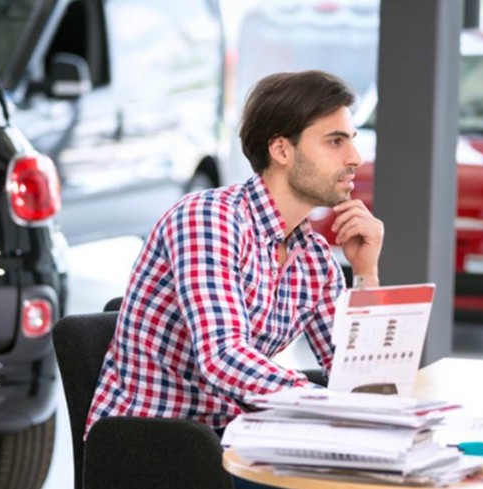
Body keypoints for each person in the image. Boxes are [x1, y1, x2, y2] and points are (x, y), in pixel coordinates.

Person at [87, 70, 383, 437]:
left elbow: (356, 379)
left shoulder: (314, 258)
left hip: (238, 441)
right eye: (336, 141)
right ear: (281, 150)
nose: (355, 157)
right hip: (157, 447)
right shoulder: (209, 220)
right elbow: (222, 358)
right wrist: (322, 403)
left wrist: (366, 273)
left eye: (351, 140)